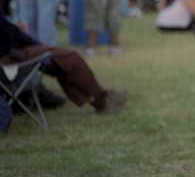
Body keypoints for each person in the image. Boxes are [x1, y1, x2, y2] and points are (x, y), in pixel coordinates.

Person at [0, 12, 128, 114]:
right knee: (69, 57)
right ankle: (101, 101)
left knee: (60, 62)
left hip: (10, 52)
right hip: (7, 56)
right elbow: (7, 32)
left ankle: (99, 100)